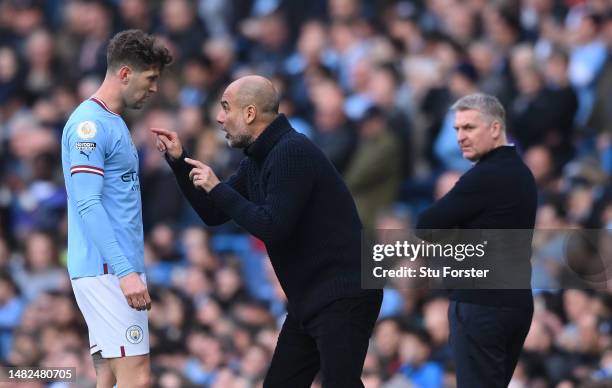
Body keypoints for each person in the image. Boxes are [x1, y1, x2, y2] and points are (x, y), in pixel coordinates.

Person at [152, 75, 383, 388]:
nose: (219, 118)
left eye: (225, 108)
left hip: (343, 294)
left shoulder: (291, 152)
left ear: (249, 113)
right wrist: (179, 163)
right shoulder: (258, 160)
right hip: (309, 301)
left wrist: (217, 187)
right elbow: (213, 212)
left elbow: (272, 227)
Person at [61, 30, 172, 388]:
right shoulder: (88, 127)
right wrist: (125, 272)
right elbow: (88, 202)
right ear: (125, 73)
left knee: (108, 377)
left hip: (110, 268)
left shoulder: (114, 121)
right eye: (150, 78)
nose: (154, 87)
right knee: (136, 377)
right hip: (108, 270)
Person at [416, 94, 537, 388]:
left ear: (495, 128)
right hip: (516, 302)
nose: (460, 137)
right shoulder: (522, 173)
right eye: (457, 129)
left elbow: (426, 224)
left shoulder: (484, 177)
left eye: (469, 128)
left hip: (481, 304)